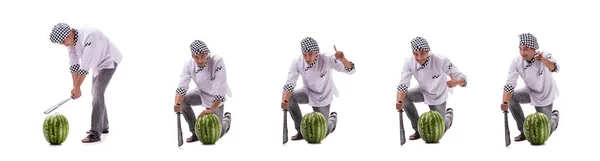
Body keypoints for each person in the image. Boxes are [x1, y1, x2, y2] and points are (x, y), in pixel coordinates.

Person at [49, 22, 123, 143]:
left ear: (70, 32)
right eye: (61, 43)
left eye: (63, 41)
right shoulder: (70, 43)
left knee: (98, 92)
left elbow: (84, 67)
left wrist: (78, 87)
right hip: (98, 63)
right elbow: (74, 65)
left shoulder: (90, 36)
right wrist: (75, 87)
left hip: (109, 60)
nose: (64, 44)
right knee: (95, 93)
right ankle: (103, 126)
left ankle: (95, 132)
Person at [280, 37, 356, 141]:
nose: (307, 58)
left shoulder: (327, 59)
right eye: (305, 55)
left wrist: (343, 60)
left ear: (316, 53)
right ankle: (300, 131)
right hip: (307, 92)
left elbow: (350, 70)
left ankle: (332, 120)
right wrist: (284, 100)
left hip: (323, 96)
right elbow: (289, 83)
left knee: (322, 134)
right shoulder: (297, 62)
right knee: (290, 98)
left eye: (310, 54)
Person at [396, 37, 467, 140]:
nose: (419, 58)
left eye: (422, 53)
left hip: (438, 95)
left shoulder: (441, 60)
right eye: (416, 54)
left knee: (440, 131)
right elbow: (403, 84)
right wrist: (399, 100)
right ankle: (418, 130)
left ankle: (449, 115)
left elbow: (463, 78)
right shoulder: (409, 62)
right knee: (405, 97)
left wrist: (457, 82)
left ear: (428, 51)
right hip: (423, 90)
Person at [500, 33, 560, 142]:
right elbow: (510, 83)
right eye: (520, 49)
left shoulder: (544, 55)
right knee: (511, 98)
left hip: (545, 95)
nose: (522, 53)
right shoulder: (516, 61)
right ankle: (523, 131)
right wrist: (505, 101)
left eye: (526, 49)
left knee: (544, 134)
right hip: (530, 91)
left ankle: (554, 118)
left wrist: (544, 61)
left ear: (533, 49)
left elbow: (555, 68)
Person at [174, 40, 232, 143]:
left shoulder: (217, 61)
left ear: (207, 53)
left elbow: (221, 89)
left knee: (217, 134)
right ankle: (195, 133)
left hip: (216, 96)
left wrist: (211, 109)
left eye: (203, 56)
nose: (200, 60)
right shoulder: (188, 64)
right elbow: (182, 86)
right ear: (193, 56)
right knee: (183, 101)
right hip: (201, 92)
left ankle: (227, 119)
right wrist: (177, 103)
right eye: (197, 57)